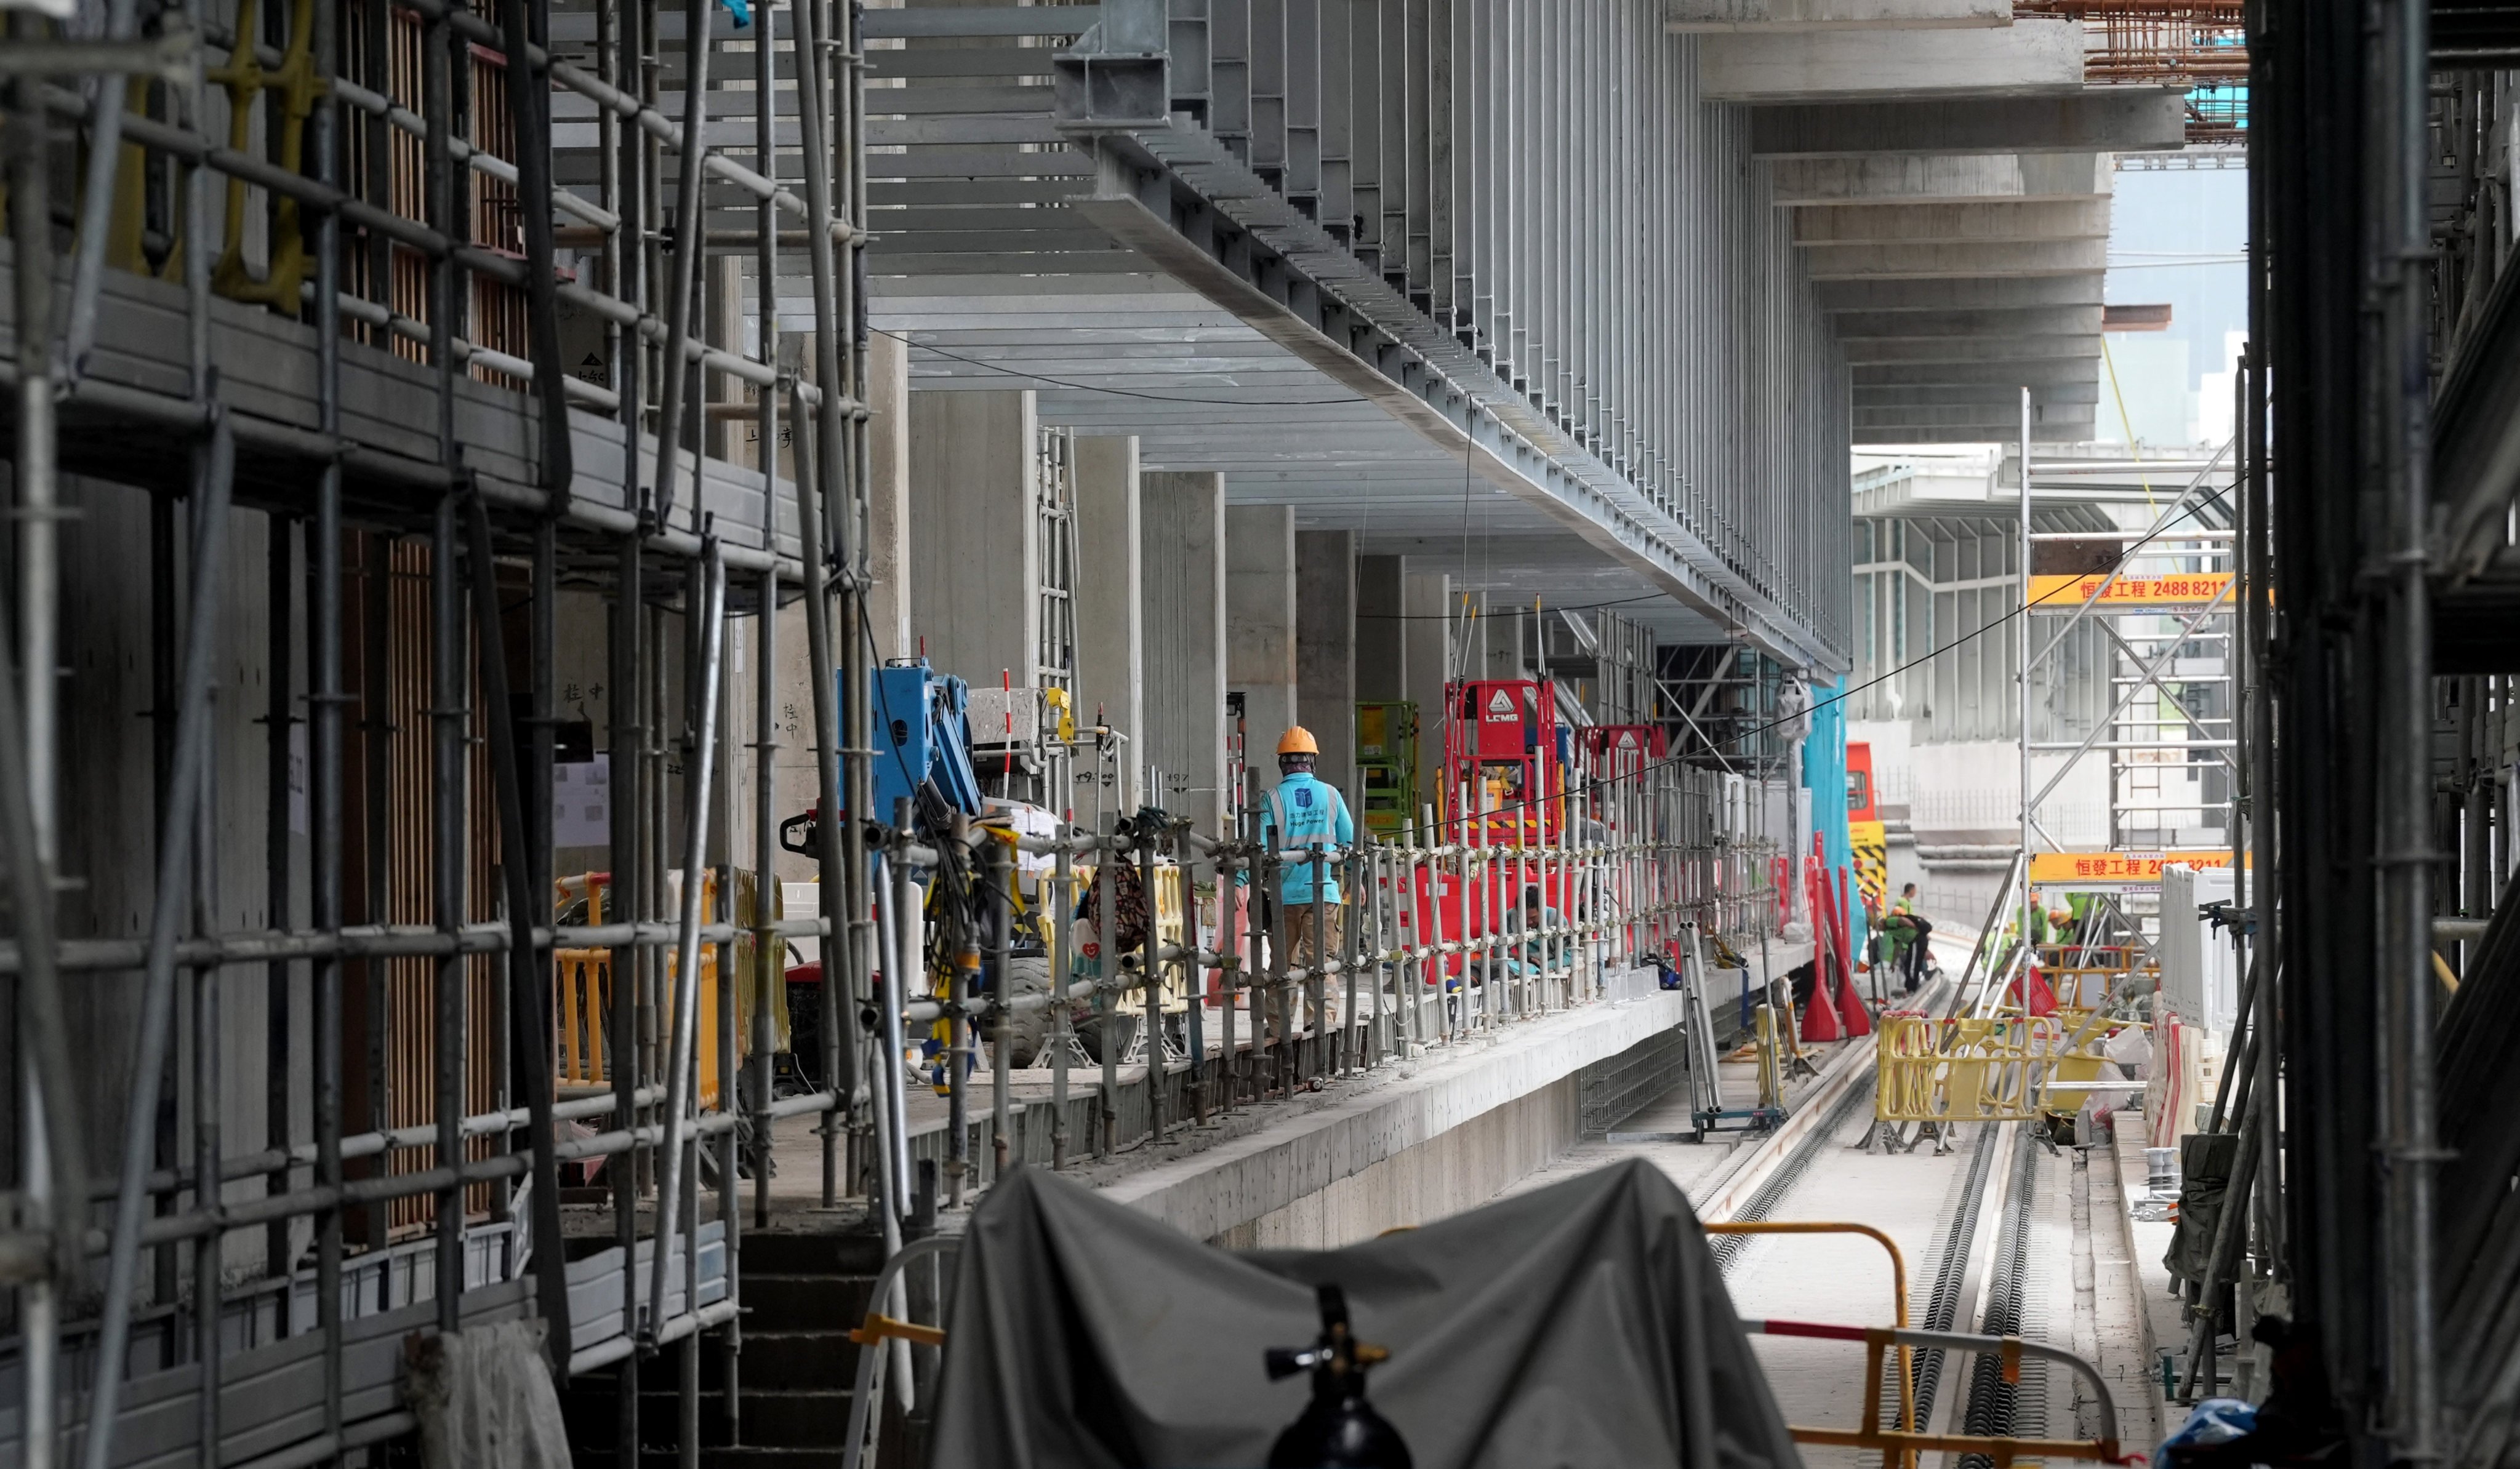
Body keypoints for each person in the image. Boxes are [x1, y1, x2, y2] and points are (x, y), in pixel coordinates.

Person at [1257, 726, 1355, 980]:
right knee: (1322, 967)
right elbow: (1350, 842)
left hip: (1283, 896)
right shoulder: (1331, 795)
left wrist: (1240, 883)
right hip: (1323, 893)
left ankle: (1279, 1021)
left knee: (1282, 969)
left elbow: (1258, 848)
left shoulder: (1272, 798)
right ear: (1312, 761)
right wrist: (1356, 879)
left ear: (1282, 763)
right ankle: (1319, 1020)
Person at [1887, 883, 1935, 993]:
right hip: (1912, 938)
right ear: (1911, 890)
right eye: (1915, 890)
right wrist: (1919, 929)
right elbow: (1905, 919)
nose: (1915, 893)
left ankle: (1912, 986)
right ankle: (1912, 987)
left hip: (1912, 937)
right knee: (1912, 964)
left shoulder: (1905, 903)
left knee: (1913, 963)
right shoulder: (1902, 903)